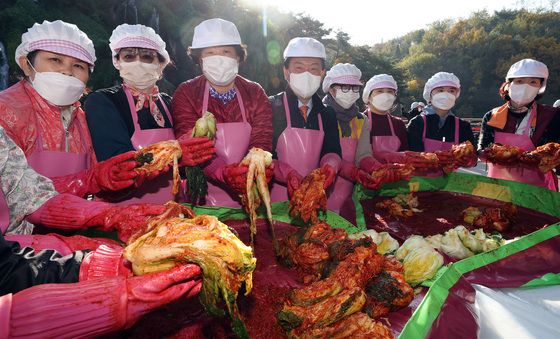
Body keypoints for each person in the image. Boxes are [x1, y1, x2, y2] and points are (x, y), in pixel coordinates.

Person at [0, 20, 141, 199]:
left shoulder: (80, 117)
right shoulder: (6, 111)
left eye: (78, 66)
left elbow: (101, 178)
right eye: (55, 60)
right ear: (27, 64)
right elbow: (12, 194)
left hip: (77, 223)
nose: (67, 71)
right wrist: (91, 180)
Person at [84, 24, 215, 204]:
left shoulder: (169, 103)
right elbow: (120, 166)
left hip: (173, 211)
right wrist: (174, 155)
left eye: (147, 57)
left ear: (161, 64)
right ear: (117, 62)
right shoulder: (102, 101)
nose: (138, 62)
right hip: (120, 213)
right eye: (129, 56)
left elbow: (189, 163)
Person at [171, 18, 273, 207]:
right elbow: (190, 145)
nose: (218, 58)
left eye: (226, 52)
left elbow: (262, 141)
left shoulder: (255, 92)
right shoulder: (186, 92)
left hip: (250, 192)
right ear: (199, 59)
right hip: (203, 199)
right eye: (210, 53)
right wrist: (224, 173)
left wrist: (251, 170)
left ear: (238, 56)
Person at [269, 37, 342, 201]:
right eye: (299, 68)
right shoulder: (271, 107)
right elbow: (262, 154)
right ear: (286, 72)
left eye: (314, 69)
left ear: (323, 73)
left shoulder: (327, 114)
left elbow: (332, 150)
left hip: (314, 199)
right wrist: (285, 173)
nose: (307, 75)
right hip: (273, 204)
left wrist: (331, 164)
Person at [478, 59, 559, 190]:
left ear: (540, 87)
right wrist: (488, 153)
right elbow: (481, 149)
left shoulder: (552, 116)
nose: (525, 86)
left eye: (533, 82)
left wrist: (552, 161)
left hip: (538, 189)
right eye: (519, 81)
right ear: (508, 84)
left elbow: (556, 152)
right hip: (499, 187)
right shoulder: (492, 116)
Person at [321, 63, 378, 220]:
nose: (351, 92)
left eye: (355, 88)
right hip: (320, 193)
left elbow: (363, 154)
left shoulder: (361, 120)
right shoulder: (319, 115)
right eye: (344, 87)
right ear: (331, 89)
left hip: (347, 194)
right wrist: (355, 172)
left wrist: (375, 168)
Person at [408, 72, 475, 152]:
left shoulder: (463, 126)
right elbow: (412, 155)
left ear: (456, 95)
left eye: (451, 91)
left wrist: (468, 159)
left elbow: (472, 157)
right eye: (440, 90)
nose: (446, 95)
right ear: (430, 94)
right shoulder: (417, 123)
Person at [355, 74, 409, 169]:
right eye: (380, 91)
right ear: (368, 96)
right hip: (367, 178)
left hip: (397, 177)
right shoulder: (359, 120)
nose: (386, 95)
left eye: (390, 92)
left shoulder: (398, 124)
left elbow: (406, 155)